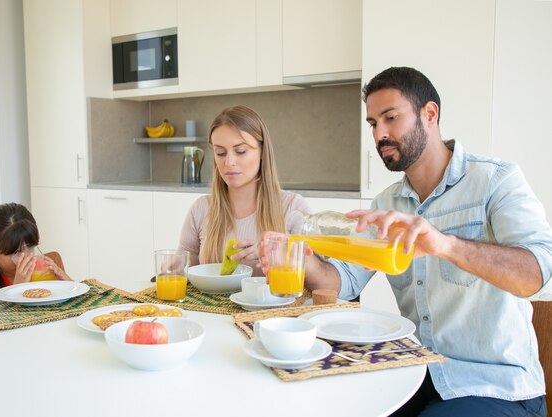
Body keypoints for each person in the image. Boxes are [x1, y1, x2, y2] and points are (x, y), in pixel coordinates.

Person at [261, 67, 551, 416]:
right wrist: (302, 260)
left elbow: (536, 271)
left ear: (430, 114)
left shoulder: (495, 180)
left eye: (391, 118)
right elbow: (344, 283)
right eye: (372, 123)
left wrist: (445, 245)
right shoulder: (386, 203)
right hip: (414, 372)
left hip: (496, 386)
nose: (380, 133)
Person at [178, 105, 310, 276]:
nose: (229, 162)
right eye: (220, 153)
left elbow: (313, 275)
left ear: (262, 151)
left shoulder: (293, 207)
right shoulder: (201, 208)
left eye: (240, 151)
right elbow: (186, 265)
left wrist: (280, 253)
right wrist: (175, 267)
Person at [0, 202, 71, 298]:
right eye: (16, 252)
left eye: (30, 247)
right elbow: (0, 313)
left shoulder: (41, 270)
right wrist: (17, 289)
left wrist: (68, 284)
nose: (26, 257)